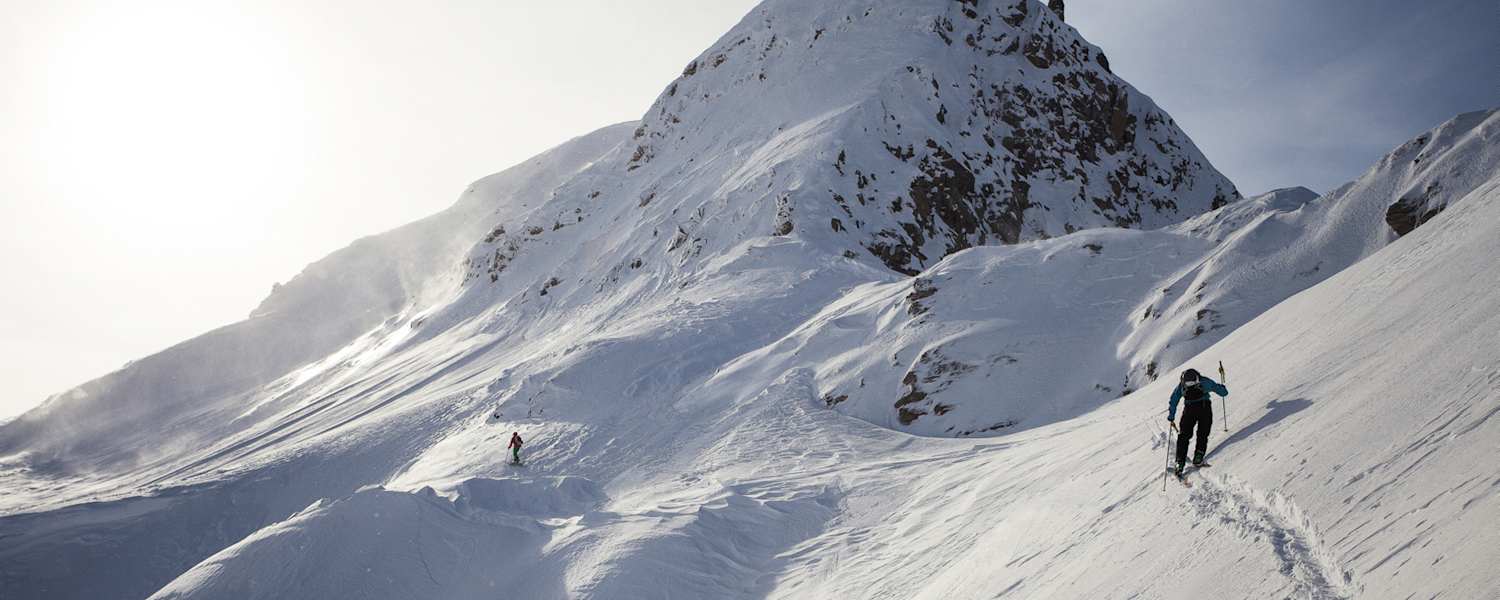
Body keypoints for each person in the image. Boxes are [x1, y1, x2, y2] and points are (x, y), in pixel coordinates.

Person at [1167, 368, 1229, 476]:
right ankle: (1198, 456)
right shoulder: (1204, 382)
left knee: (1184, 436)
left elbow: (1174, 399)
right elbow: (1222, 392)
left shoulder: (1182, 386)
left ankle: (1179, 463)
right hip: (1204, 408)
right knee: (1203, 433)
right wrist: (1223, 389)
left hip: (1189, 410)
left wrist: (1171, 416)